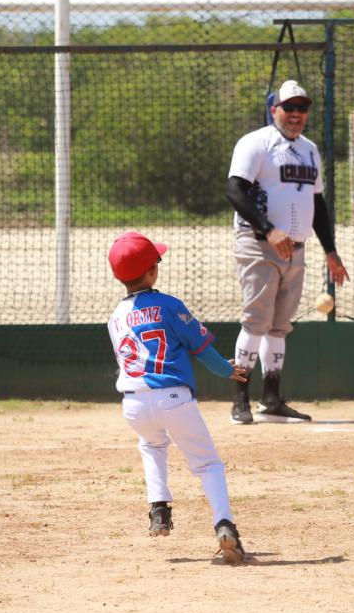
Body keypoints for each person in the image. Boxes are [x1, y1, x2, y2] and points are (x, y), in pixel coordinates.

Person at [106, 231, 249, 565]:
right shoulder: (169, 305)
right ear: (152, 271)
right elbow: (203, 350)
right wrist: (227, 371)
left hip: (134, 402)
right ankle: (224, 524)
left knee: (151, 446)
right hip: (173, 397)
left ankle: (159, 509)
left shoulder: (114, 318)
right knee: (207, 464)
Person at [224, 80, 348, 424]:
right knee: (256, 321)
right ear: (273, 108)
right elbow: (235, 190)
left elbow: (317, 203)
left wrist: (330, 251)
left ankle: (272, 400)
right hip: (258, 245)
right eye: (289, 107)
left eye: (302, 108)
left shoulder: (309, 149)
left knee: (279, 327)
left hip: (295, 250)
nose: (296, 114)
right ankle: (240, 401)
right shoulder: (256, 143)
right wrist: (268, 227)